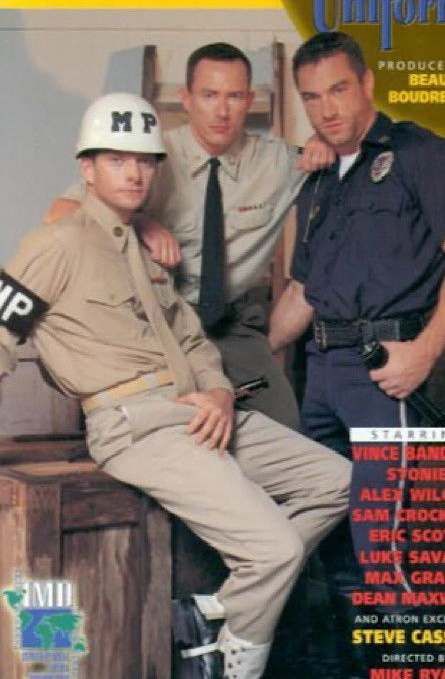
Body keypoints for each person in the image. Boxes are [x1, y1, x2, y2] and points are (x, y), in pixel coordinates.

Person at [0, 93, 351, 679]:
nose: (134, 173)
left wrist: (218, 391)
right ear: (87, 168)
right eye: (117, 159)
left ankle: (214, 611)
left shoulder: (144, 249)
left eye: (144, 160)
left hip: (198, 410)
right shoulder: (54, 246)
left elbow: (193, 340)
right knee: (276, 549)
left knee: (336, 480)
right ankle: (229, 665)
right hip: (134, 425)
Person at [269, 32, 445, 677]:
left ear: (368, 84)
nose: (327, 108)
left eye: (339, 89)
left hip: (383, 373)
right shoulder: (319, 181)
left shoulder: (423, 155)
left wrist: (424, 351)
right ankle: (362, 664)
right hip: (320, 377)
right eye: (312, 97)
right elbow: (303, 293)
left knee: (381, 541)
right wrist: (242, 362)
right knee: (330, 535)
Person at [45, 42, 334, 430]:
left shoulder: (280, 162)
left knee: (287, 430)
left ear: (249, 101)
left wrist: (325, 142)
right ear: (186, 98)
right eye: (209, 95)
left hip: (231, 324)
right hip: (155, 320)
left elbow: (346, 158)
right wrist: (140, 222)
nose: (221, 111)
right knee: (169, 433)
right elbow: (59, 215)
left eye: (234, 96)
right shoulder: (149, 154)